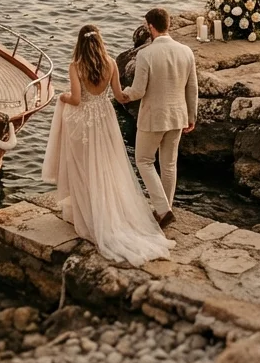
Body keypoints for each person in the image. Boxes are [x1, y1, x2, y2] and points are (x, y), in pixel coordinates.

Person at [42, 25, 171, 266]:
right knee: (107, 166)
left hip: (84, 122)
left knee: (83, 168)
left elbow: (77, 99)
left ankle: (89, 215)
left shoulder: (76, 67)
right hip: (105, 119)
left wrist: (62, 97)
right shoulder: (111, 63)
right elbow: (120, 95)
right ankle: (110, 212)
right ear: (100, 42)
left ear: (80, 43)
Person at [122, 7, 198, 228]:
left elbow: (138, 91)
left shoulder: (146, 54)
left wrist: (122, 93)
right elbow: (192, 88)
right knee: (169, 164)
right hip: (178, 115)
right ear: (169, 25)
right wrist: (192, 115)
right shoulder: (186, 51)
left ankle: (163, 210)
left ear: (150, 27)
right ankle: (165, 209)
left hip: (154, 117)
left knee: (144, 161)